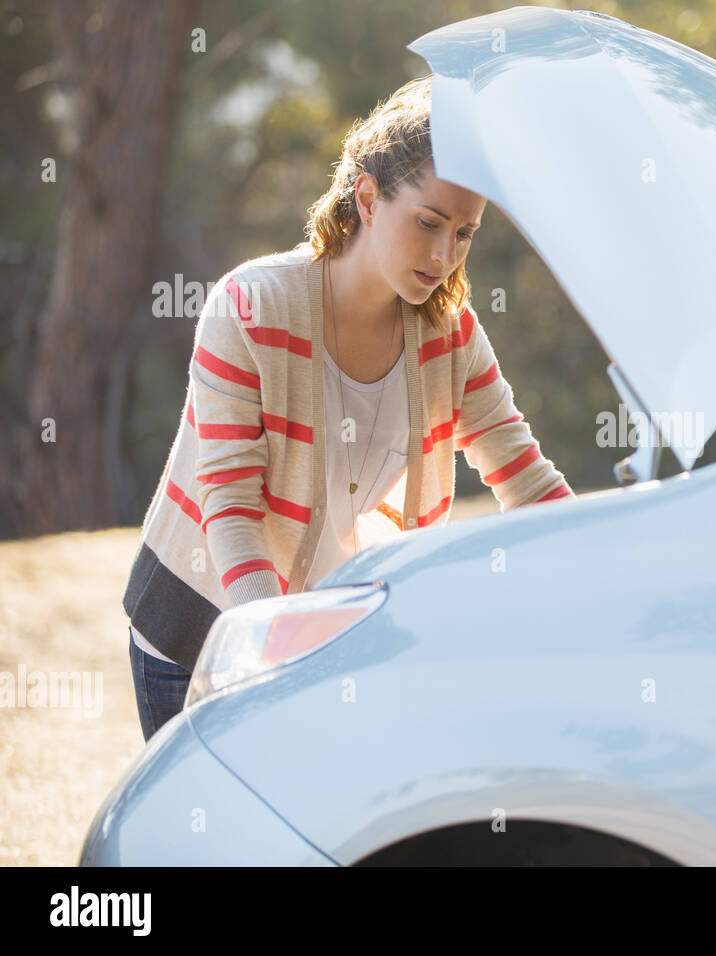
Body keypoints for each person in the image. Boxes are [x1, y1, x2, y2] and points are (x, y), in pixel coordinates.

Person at [122, 75, 573, 741]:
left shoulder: (451, 338)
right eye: (428, 224)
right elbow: (233, 512)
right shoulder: (249, 308)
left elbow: (529, 484)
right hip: (198, 630)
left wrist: (618, 569)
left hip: (320, 645)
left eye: (465, 234)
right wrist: (272, 661)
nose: (445, 256)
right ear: (366, 198)